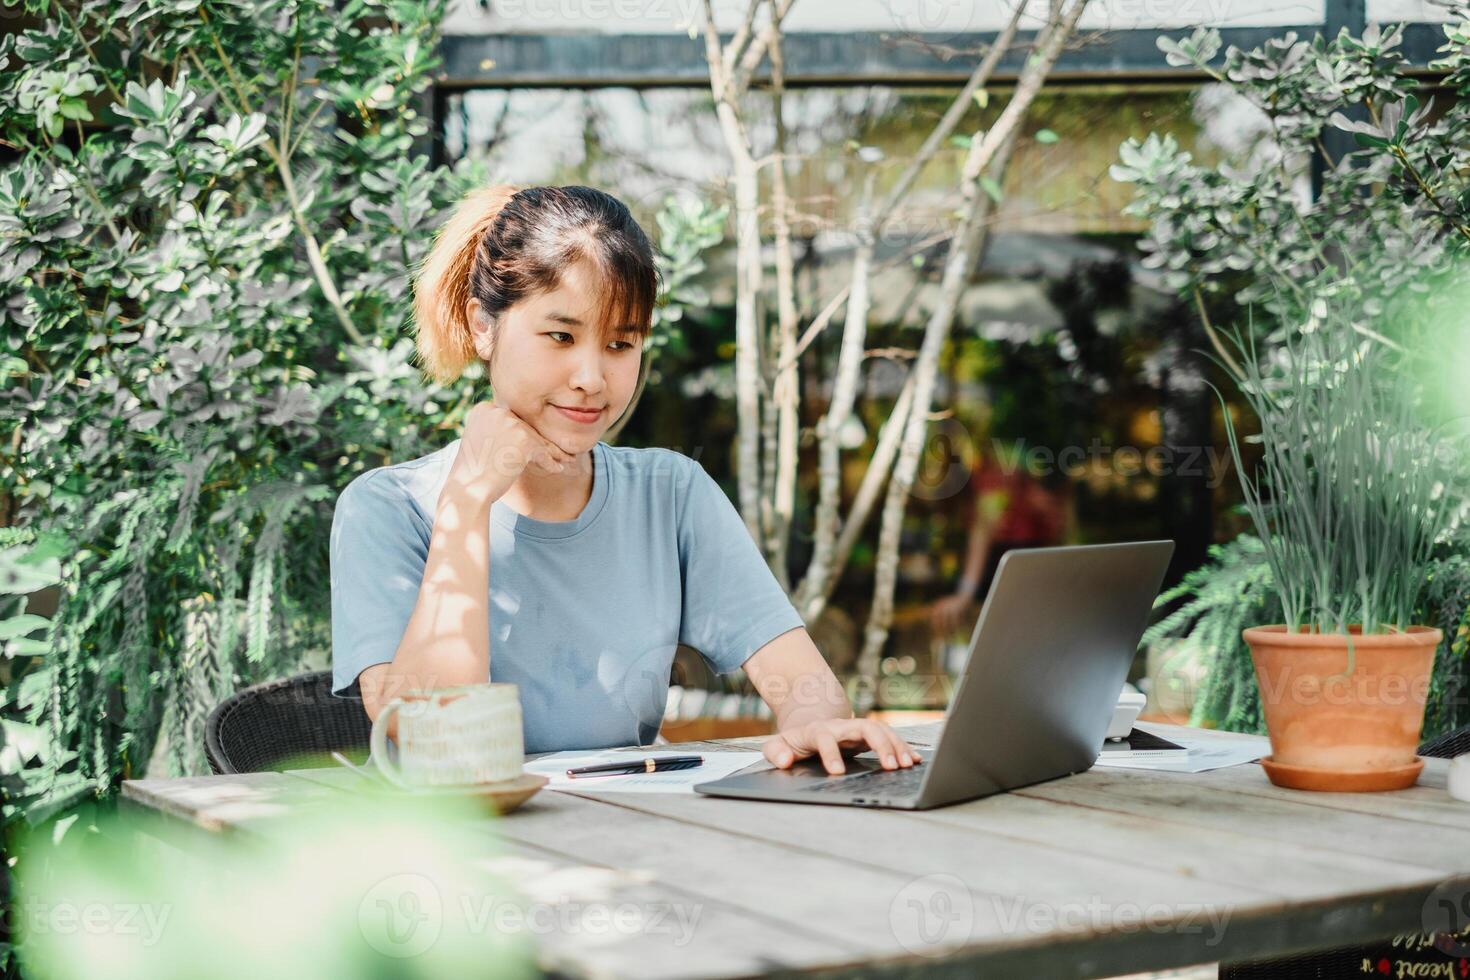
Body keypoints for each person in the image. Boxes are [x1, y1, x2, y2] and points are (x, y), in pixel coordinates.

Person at [330, 184, 919, 776]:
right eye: (560, 336)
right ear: (484, 327)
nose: (592, 377)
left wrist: (815, 727)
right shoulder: (388, 508)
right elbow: (439, 743)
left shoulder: (669, 493)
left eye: (621, 343)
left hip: (631, 833)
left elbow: (805, 686)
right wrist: (467, 503)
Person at [928, 444, 1073, 641]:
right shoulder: (1002, 480)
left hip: (1022, 572)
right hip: (1024, 574)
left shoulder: (993, 480)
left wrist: (964, 595)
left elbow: (982, 532)